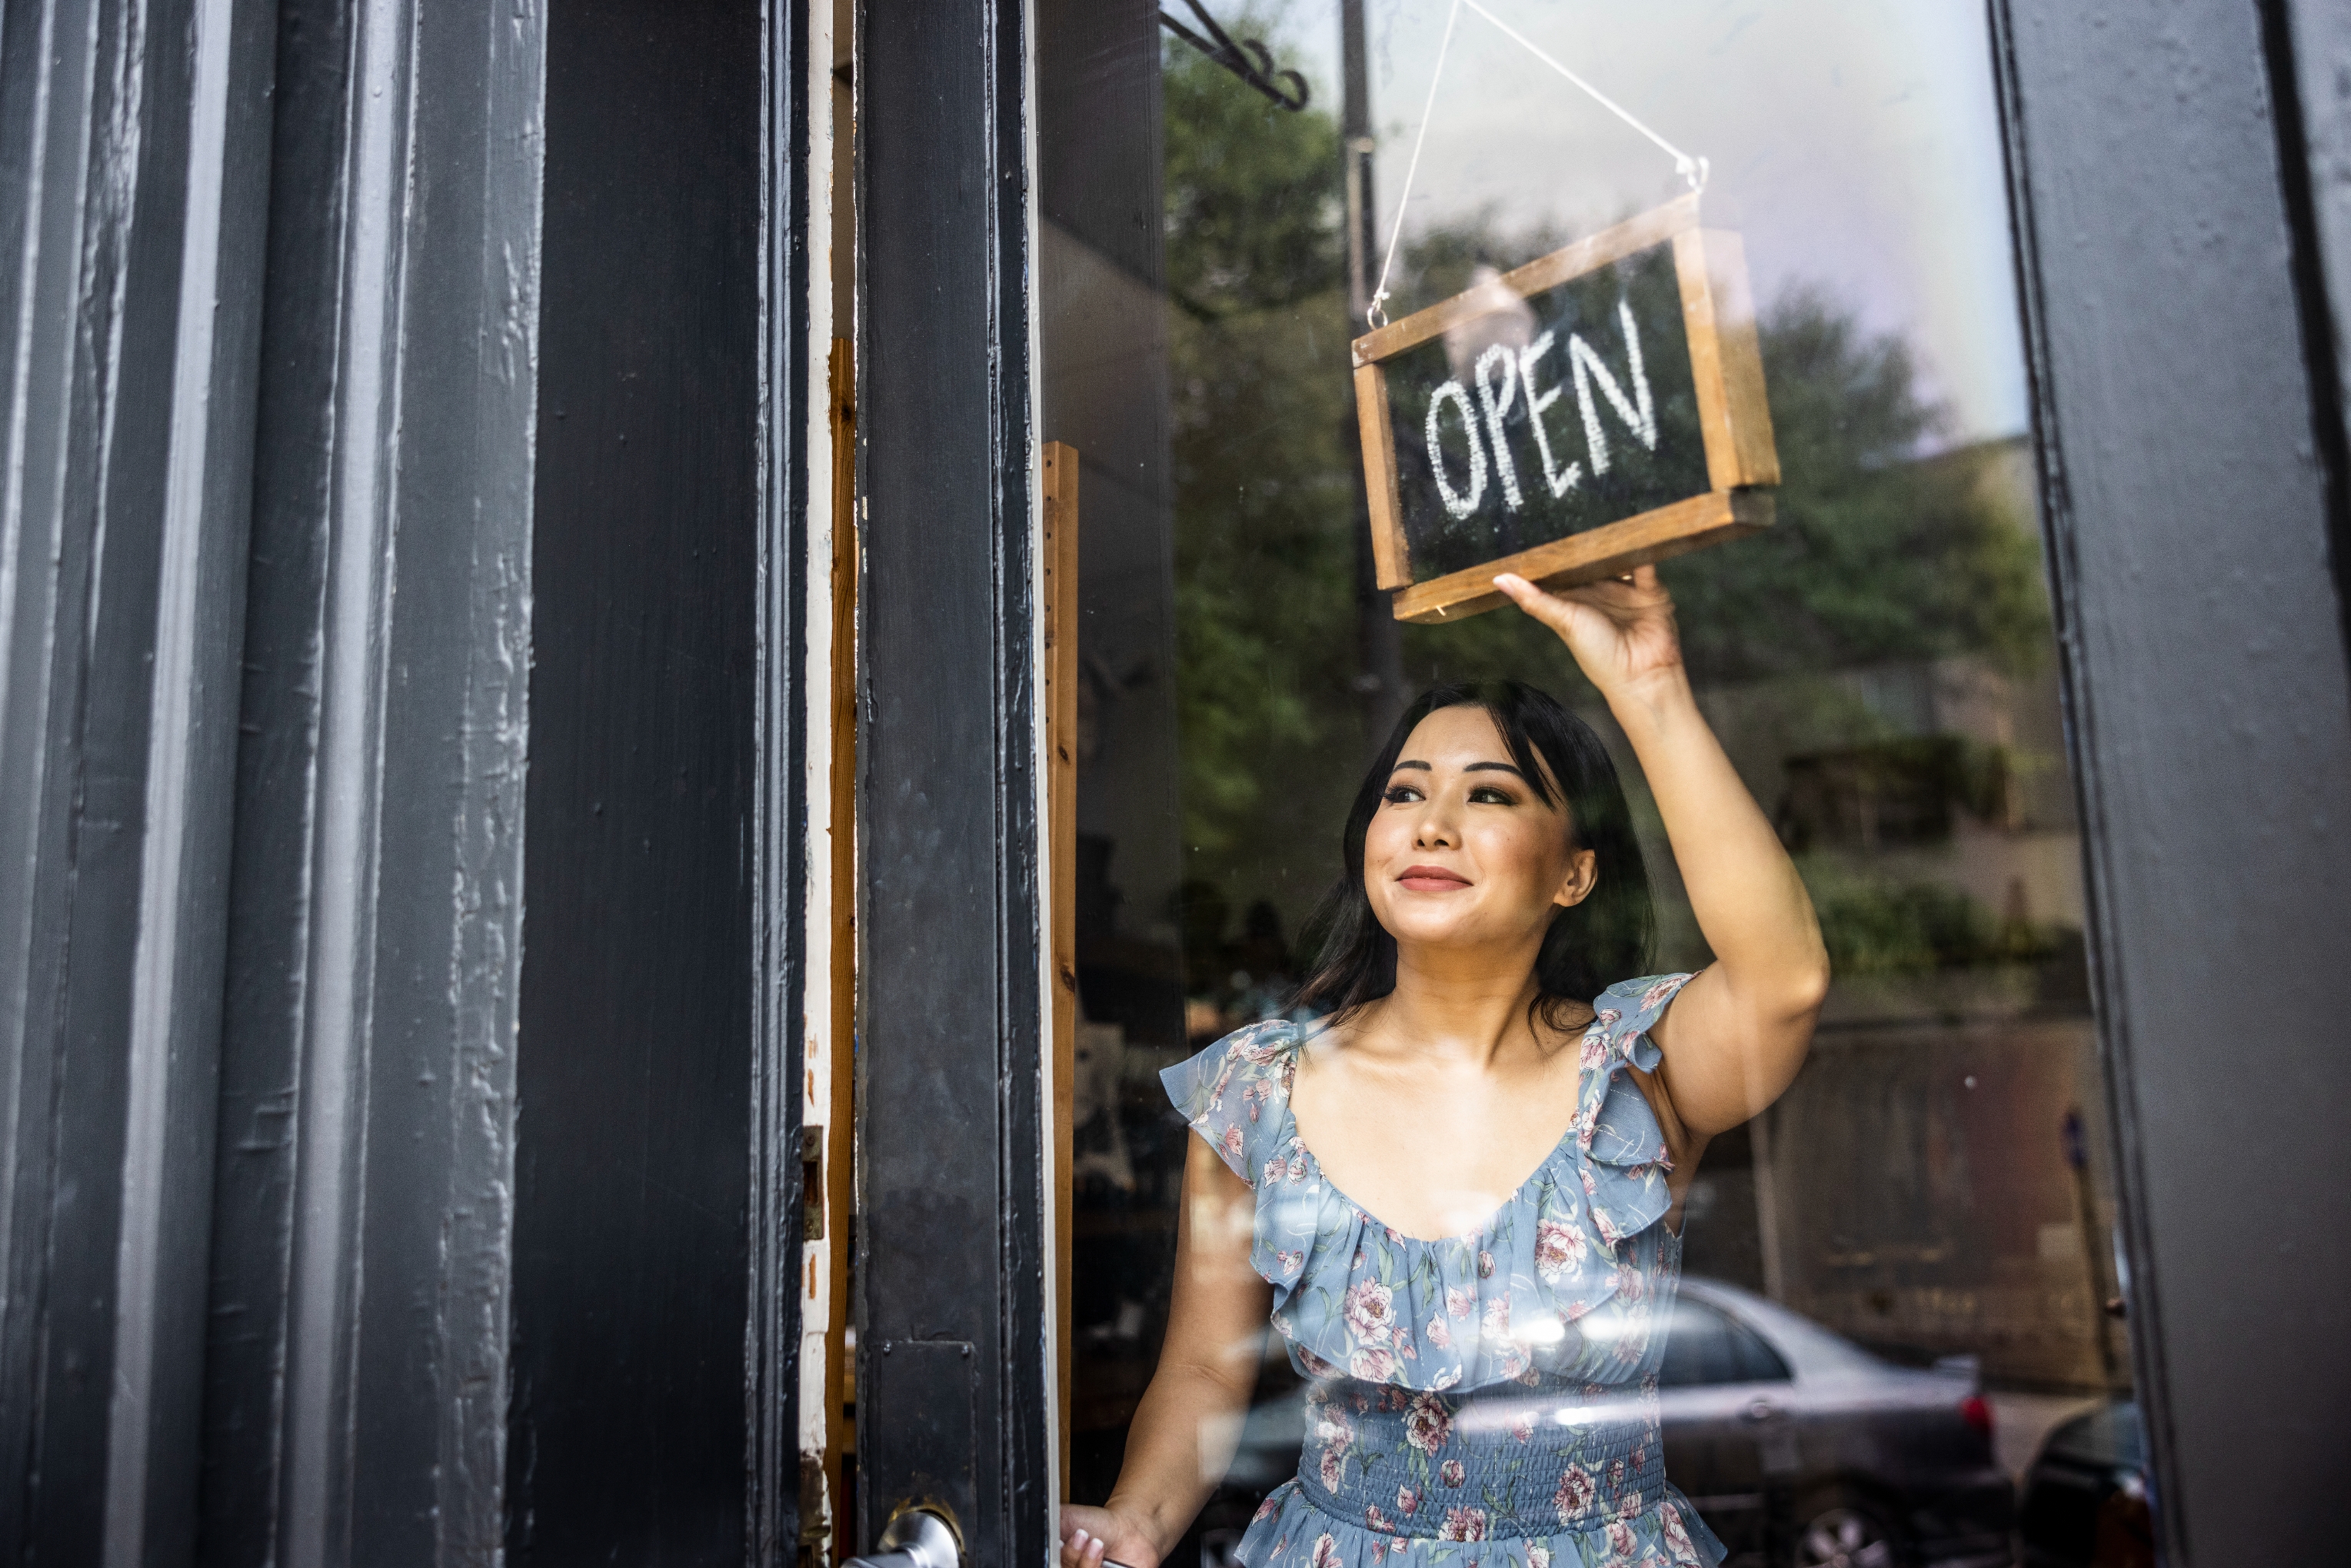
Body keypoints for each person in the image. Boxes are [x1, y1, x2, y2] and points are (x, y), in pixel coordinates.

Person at [1057, 568, 1830, 1568]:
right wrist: (1134, 1523)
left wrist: (1650, 688)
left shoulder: (1637, 1072)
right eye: (1405, 793)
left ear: (1572, 871)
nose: (1431, 823)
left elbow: (1786, 983)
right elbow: (1206, 1370)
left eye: (1489, 796)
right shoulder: (1257, 1094)